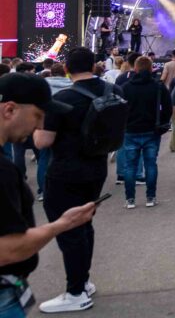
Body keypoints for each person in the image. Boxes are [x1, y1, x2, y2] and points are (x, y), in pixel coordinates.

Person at [0, 72, 100, 318]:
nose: (40, 124)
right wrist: (63, 224)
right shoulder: (2, 171)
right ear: (9, 110)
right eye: (37, 115)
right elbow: (7, 250)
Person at [33, 47, 117, 312]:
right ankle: (83, 281)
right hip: (97, 167)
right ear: (94, 66)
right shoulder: (112, 91)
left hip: (65, 172)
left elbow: (43, 141)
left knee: (68, 229)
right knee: (84, 223)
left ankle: (76, 291)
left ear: (67, 69)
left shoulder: (63, 99)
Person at [119, 56, 171, 209]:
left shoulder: (126, 87)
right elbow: (168, 107)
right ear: (151, 68)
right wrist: (162, 122)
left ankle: (130, 199)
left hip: (130, 130)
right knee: (150, 164)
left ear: (135, 68)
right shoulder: (158, 86)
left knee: (130, 166)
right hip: (152, 130)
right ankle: (150, 197)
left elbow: (119, 108)